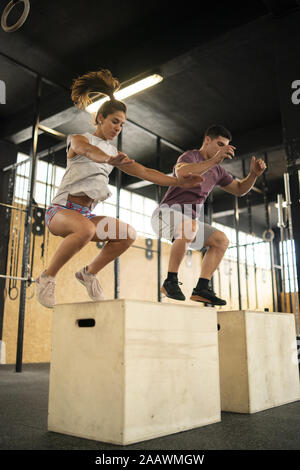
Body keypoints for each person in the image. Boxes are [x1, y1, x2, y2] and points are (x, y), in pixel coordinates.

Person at [36, 69, 203, 308]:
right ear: (99, 118)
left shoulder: (115, 153)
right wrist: (106, 159)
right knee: (83, 230)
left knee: (128, 234)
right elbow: (87, 151)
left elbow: (145, 172)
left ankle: (88, 274)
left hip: (86, 216)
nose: (118, 128)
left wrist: (179, 182)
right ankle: (47, 277)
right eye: (114, 121)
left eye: (122, 125)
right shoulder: (78, 138)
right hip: (60, 212)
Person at [151, 124, 266, 305]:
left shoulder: (218, 171)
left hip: (187, 225)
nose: (223, 150)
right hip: (164, 216)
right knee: (189, 225)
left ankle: (202, 288)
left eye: (225, 146)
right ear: (207, 140)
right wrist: (215, 160)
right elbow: (182, 172)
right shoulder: (190, 156)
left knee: (221, 240)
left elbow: (238, 189)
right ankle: (170, 281)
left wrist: (253, 175)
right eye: (219, 144)